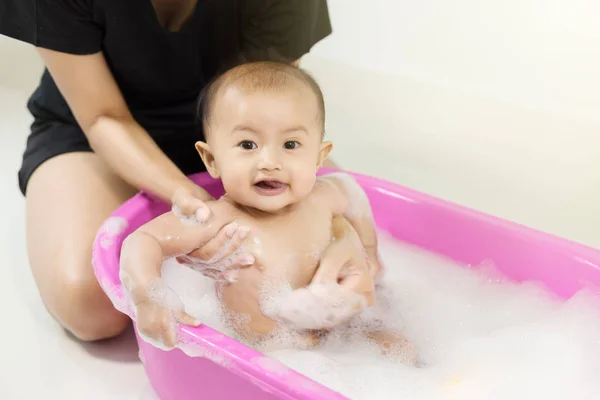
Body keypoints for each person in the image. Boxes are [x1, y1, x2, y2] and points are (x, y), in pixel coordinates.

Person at [0, 0, 344, 342]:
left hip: (241, 138)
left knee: (353, 241)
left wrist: (349, 244)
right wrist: (191, 199)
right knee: (90, 307)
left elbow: (268, 104)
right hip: (96, 125)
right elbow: (103, 117)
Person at [120, 61, 418, 364]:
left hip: (342, 331)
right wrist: (149, 295)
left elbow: (352, 193)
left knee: (400, 349)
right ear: (212, 160)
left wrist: (369, 256)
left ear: (318, 157)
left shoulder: (323, 198)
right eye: (248, 144)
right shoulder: (217, 221)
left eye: (290, 144)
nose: (270, 161)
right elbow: (143, 241)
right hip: (269, 353)